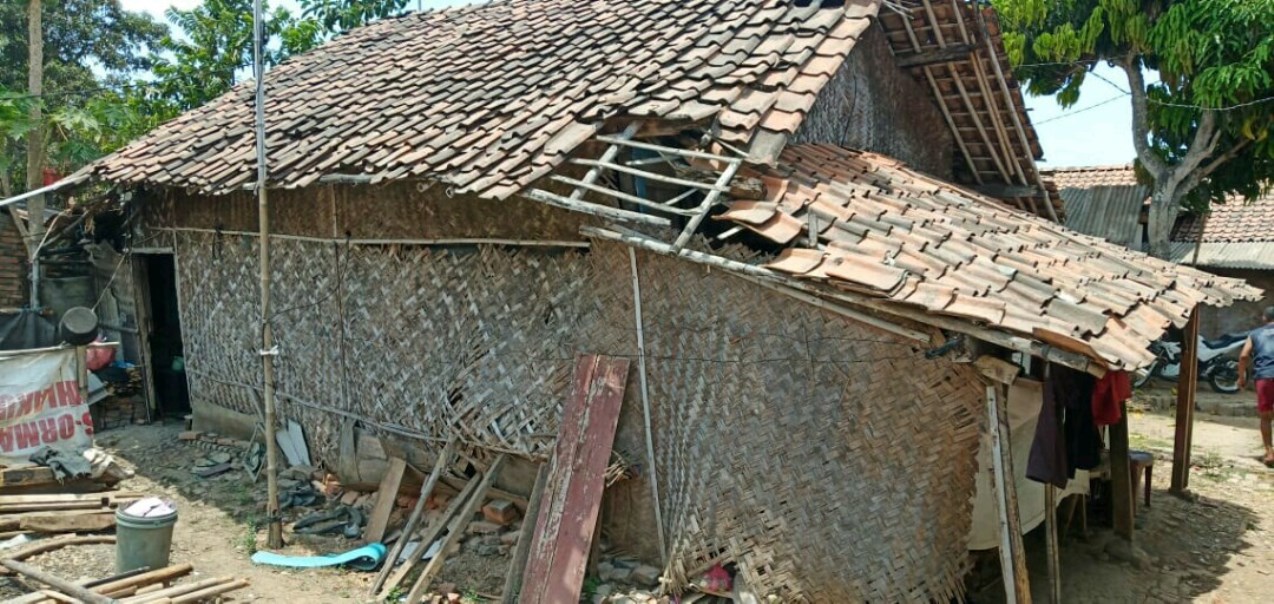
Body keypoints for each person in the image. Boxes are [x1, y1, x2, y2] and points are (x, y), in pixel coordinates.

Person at [1238, 306, 1274, 466]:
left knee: (1266, 417)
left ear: (1264, 318)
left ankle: (1270, 453)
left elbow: (1244, 355)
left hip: (1265, 377)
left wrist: (1241, 378)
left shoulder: (1255, 334)